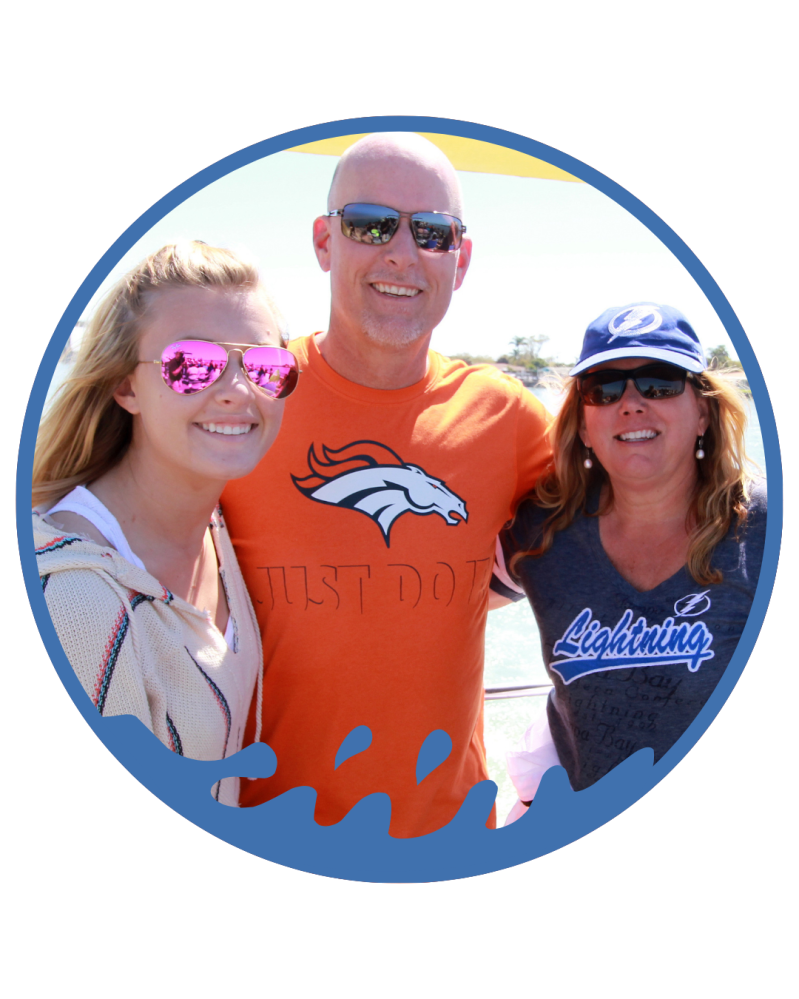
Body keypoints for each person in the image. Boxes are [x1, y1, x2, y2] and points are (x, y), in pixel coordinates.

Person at [221, 132, 551, 837]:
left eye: (432, 232)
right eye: (371, 224)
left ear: (460, 259)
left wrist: (490, 581)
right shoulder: (248, 398)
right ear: (323, 242)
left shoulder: (509, 418)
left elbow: (620, 522)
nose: (402, 253)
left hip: (453, 841)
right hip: (265, 829)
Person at [33, 242, 300, 806]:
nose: (238, 391)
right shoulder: (75, 602)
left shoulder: (218, 529)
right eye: (193, 364)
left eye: (265, 365)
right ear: (125, 386)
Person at [491, 303, 766, 806]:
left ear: (703, 412)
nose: (632, 404)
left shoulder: (764, 530)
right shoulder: (542, 531)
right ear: (583, 424)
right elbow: (441, 602)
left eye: (660, 384)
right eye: (604, 389)